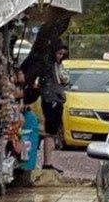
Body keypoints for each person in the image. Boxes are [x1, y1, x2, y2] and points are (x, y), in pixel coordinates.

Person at [39, 43, 69, 173]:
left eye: (63, 54)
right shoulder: (50, 66)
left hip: (55, 99)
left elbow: (65, 79)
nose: (60, 56)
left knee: (52, 132)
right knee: (50, 132)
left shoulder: (58, 65)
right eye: (59, 53)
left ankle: (49, 162)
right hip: (51, 99)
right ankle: (47, 162)